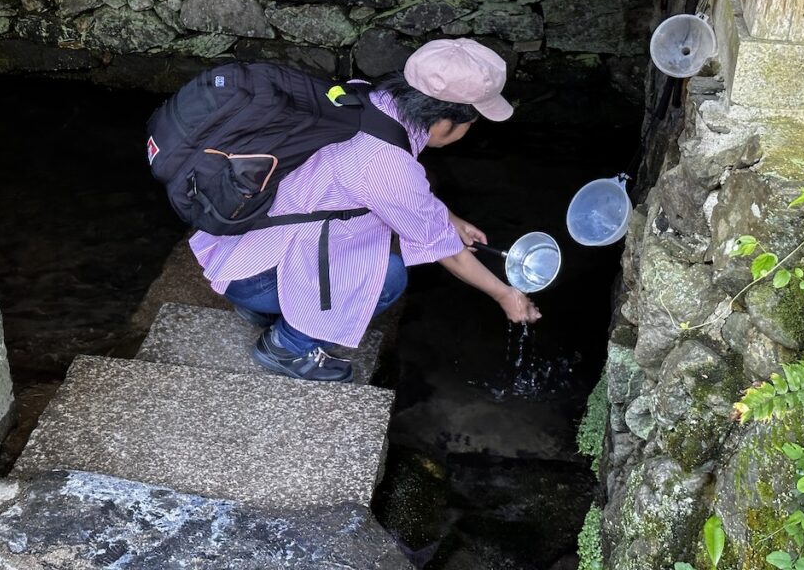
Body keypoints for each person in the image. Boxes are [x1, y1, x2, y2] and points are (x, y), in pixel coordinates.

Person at [188, 38, 542, 382]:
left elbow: (397, 189)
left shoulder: (365, 97)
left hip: (239, 245)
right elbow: (445, 249)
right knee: (388, 276)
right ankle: (288, 346)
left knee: (362, 244)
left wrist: (450, 218)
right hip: (256, 276)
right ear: (447, 121)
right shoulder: (388, 163)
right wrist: (506, 295)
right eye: (472, 122)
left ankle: (261, 308)